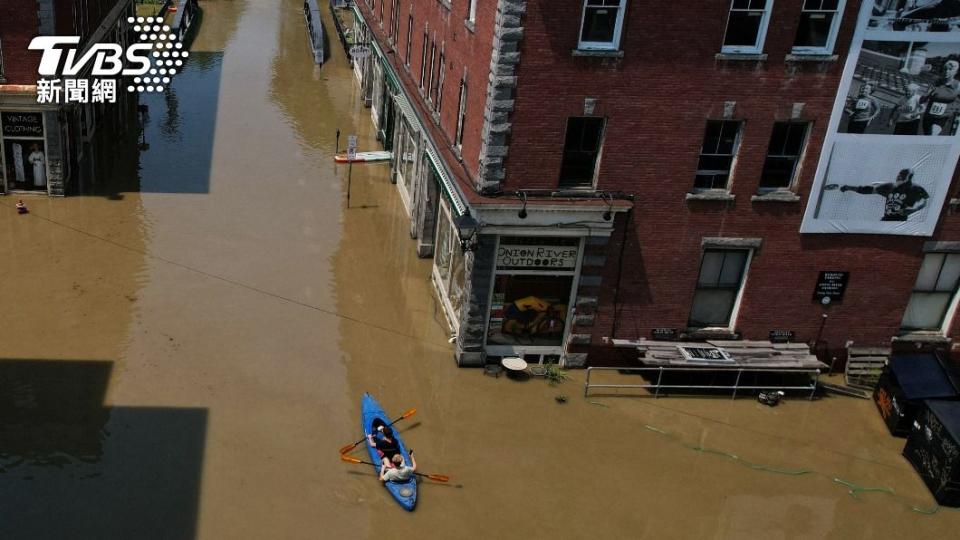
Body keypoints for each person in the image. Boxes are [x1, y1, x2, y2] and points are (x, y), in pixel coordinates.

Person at [828, 168, 930, 221]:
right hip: (886, 220)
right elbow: (868, 189)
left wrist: (913, 210)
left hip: (900, 222)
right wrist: (849, 187)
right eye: (899, 174)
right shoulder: (891, 187)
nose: (899, 177)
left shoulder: (915, 188)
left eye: (903, 175)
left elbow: (926, 201)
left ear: (909, 177)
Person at [921, 59, 960, 135]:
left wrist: (956, 109)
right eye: (945, 69)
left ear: (956, 72)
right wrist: (927, 93)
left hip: (943, 117)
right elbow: (922, 100)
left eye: (950, 69)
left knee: (933, 133)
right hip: (928, 116)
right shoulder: (935, 82)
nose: (947, 71)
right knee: (928, 137)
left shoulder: (957, 85)